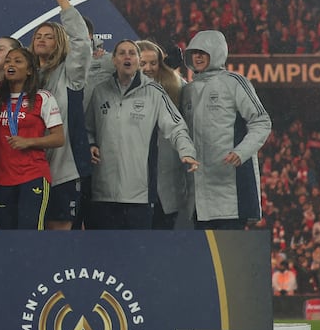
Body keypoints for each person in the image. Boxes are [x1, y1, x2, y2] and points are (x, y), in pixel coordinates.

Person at [86, 40, 198, 230]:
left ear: (137, 59)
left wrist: (187, 151)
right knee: (104, 247)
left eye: (132, 53)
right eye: (122, 53)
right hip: (103, 192)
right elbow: (89, 128)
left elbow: (176, 127)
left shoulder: (155, 92)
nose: (127, 57)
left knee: (140, 246)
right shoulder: (100, 91)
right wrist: (90, 144)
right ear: (113, 60)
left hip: (138, 195)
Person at [181, 30, 272, 230]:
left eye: (203, 52)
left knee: (228, 249)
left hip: (231, 192)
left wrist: (241, 152)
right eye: (194, 53)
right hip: (198, 198)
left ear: (216, 52)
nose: (197, 57)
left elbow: (261, 121)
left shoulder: (234, 82)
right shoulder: (187, 91)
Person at [32, 0, 92, 230]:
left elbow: (81, 43)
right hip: (29, 169)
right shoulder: (27, 78)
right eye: (38, 36)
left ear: (59, 42)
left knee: (60, 235)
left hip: (63, 170)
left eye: (49, 37)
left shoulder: (70, 74)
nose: (42, 40)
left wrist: (63, 3)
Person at [0, 48, 64, 230]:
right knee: (5, 236)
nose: (11, 65)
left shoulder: (42, 97)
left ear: (29, 70)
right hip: (1, 178)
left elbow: (59, 138)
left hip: (32, 175)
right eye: (8, 61)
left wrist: (29, 141)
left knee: (30, 235)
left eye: (18, 61)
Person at [136, 39, 191, 229]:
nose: (148, 68)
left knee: (161, 235)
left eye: (153, 63)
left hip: (165, 181)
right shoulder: (118, 88)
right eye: (143, 63)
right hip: (131, 182)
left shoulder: (176, 86)